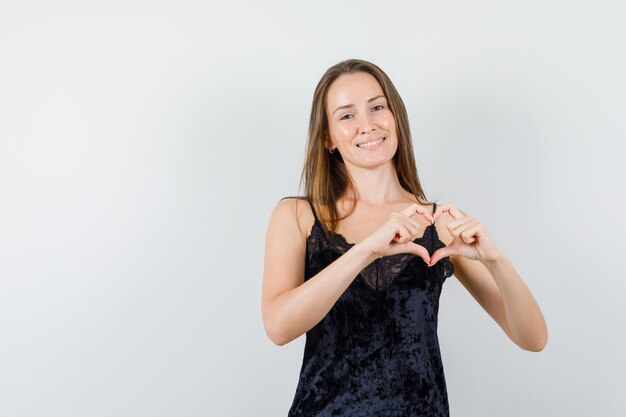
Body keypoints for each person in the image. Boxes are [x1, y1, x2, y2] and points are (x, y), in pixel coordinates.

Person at [261, 59, 548, 416]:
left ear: (396, 117)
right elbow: (278, 327)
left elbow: (533, 338)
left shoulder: (439, 224)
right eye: (346, 116)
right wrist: (367, 250)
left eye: (377, 107)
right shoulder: (299, 216)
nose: (367, 125)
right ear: (327, 137)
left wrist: (497, 260)